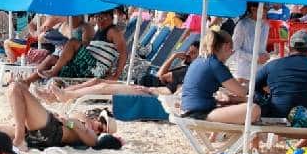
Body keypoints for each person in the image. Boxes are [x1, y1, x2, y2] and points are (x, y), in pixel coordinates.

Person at [40, 39, 200, 103]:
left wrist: (149, 88)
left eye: (193, 53)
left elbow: (163, 79)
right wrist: (173, 58)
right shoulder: (186, 68)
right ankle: (57, 95)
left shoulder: (190, 71)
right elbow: (161, 76)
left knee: (103, 87)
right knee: (96, 81)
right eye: (189, 51)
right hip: (145, 87)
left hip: (150, 93)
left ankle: (67, 95)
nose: (188, 54)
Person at [179, 29, 260, 124]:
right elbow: (242, 92)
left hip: (188, 109)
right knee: (254, 109)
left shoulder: (200, 60)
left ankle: (218, 138)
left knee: (239, 105)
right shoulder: (216, 65)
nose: (231, 54)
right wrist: (253, 84)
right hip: (199, 114)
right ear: (226, 47)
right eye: (232, 50)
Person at [25, 10, 127, 84]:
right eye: (98, 17)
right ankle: (27, 82)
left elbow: (123, 53)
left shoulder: (113, 31)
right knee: (52, 58)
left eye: (103, 17)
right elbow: (101, 53)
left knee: (73, 42)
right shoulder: (99, 31)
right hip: (87, 66)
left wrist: (116, 75)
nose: (100, 20)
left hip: (94, 69)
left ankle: (53, 71)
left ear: (111, 17)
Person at [255, 30, 307, 119]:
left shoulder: (272, 65)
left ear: (289, 48)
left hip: (277, 116)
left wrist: (266, 97)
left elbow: (253, 87)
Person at [232, 2, 270, 83]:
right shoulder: (242, 25)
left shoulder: (266, 25)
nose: (266, 12)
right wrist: (255, 58)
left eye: (267, 9)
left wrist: (266, 54)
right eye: (265, 9)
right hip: (245, 72)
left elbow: (261, 47)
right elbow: (234, 50)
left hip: (260, 71)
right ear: (253, 9)